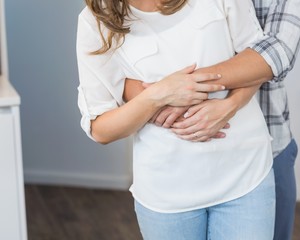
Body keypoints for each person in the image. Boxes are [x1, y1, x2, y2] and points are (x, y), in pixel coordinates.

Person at [76, 0, 276, 239]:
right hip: (167, 191)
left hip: (246, 174)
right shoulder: (95, 20)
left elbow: (261, 60)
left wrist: (231, 105)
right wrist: (157, 95)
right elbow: (101, 128)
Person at [124, 0, 300, 239]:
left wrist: (185, 88)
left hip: (266, 147)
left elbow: (276, 52)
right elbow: (123, 70)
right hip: (177, 160)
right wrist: (159, 94)